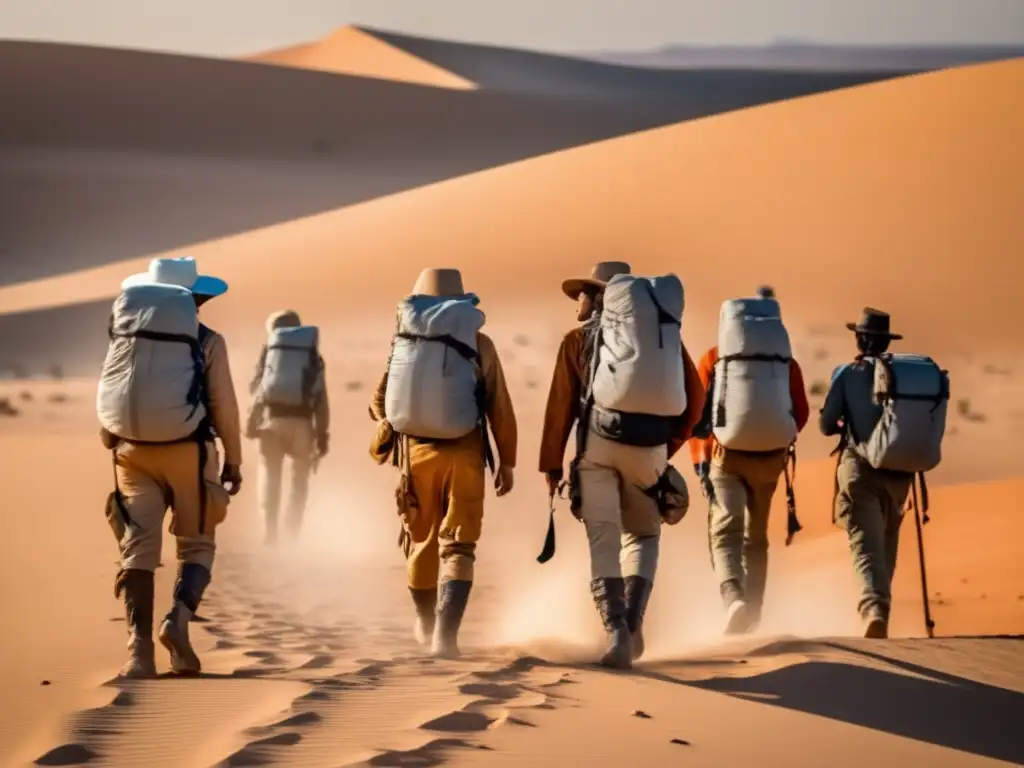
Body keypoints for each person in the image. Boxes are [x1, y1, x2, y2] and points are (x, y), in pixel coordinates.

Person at [540, 261, 704, 669]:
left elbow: (559, 409)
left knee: (605, 539)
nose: (577, 300)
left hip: (598, 447)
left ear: (598, 296)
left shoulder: (575, 341)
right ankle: (633, 622)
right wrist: (668, 445)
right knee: (644, 538)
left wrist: (552, 466)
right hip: (650, 447)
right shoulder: (663, 340)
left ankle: (616, 633)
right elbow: (695, 398)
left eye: (582, 292)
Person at [98, 256, 243, 679]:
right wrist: (233, 458)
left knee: (138, 548)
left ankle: (138, 653)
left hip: (131, 451)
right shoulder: (208, 340)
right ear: (196, 298)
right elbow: (224, 406)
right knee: (197, 544)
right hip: (189, 451)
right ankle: (177, 621)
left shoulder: (124, 334)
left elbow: (110, 388)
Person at [369, 268, 517, 659]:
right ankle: (446, 637)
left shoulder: (404, 342)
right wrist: (508, 460)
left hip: (416, 457)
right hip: (466, 453)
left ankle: (425, 622)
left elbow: (378, 402)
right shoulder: (479, 341)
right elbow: (498, 405)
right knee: (459, 547)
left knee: (421, 541)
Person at [820, 308, 947, 639]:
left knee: (865, 543)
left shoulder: (847, 373)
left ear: (860, 339)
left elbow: (825, 425)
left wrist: (846, 420)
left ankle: (875, 608)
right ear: (885, 340)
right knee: (887, 543)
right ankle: (880, 609)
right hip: (900, 475)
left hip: (860, 470)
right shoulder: (901, 377)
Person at [689, 286, 810, 635]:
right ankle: (754, 614)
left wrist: (700, 463)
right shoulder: (785, 363)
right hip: (771, 461)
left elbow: (697, 418)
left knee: (725, 532)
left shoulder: (713, 358)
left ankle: (734, 600)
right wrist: (777, 441)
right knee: (755, 538)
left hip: (725, 457)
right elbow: (800, 412)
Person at [246, 310, 329, 544]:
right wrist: (322, 434)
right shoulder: (312, 356)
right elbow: (321, 399)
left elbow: (257, 390)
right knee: (298, 481)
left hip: (271, 422)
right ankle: (292, 534)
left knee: (270, 477)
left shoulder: (269, 353)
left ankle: (270, 531)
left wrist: (251, 422)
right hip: (302, 425)